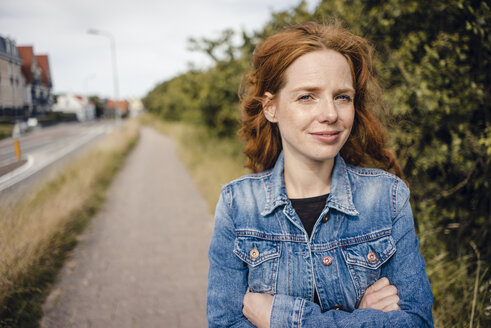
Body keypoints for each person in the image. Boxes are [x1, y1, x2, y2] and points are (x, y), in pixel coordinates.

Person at [206, 22, 433, 327]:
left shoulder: (386, 197)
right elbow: (225, 324)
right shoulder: (238, 204)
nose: (330, 114)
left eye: (342, 97)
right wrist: (362, 318)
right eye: (307, 97)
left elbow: (416, 322)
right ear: (271, 108)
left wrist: (282, 317)